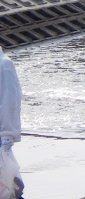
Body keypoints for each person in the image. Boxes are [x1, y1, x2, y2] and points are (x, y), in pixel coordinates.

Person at [0, 44, 24, 198]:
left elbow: (10, 103)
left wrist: (7, 136)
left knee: (8, 186)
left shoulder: (4, 65)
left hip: (2, 136)